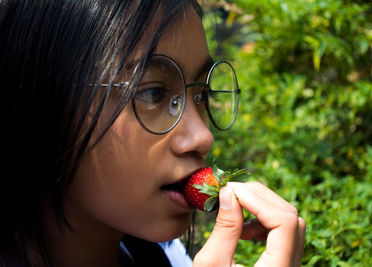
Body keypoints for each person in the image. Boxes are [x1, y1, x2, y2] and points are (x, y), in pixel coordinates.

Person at [0, 0, 305, 266]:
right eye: (153, 93)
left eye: (202, 95)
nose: (202, 136)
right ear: (39, 96)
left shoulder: (169, 258)